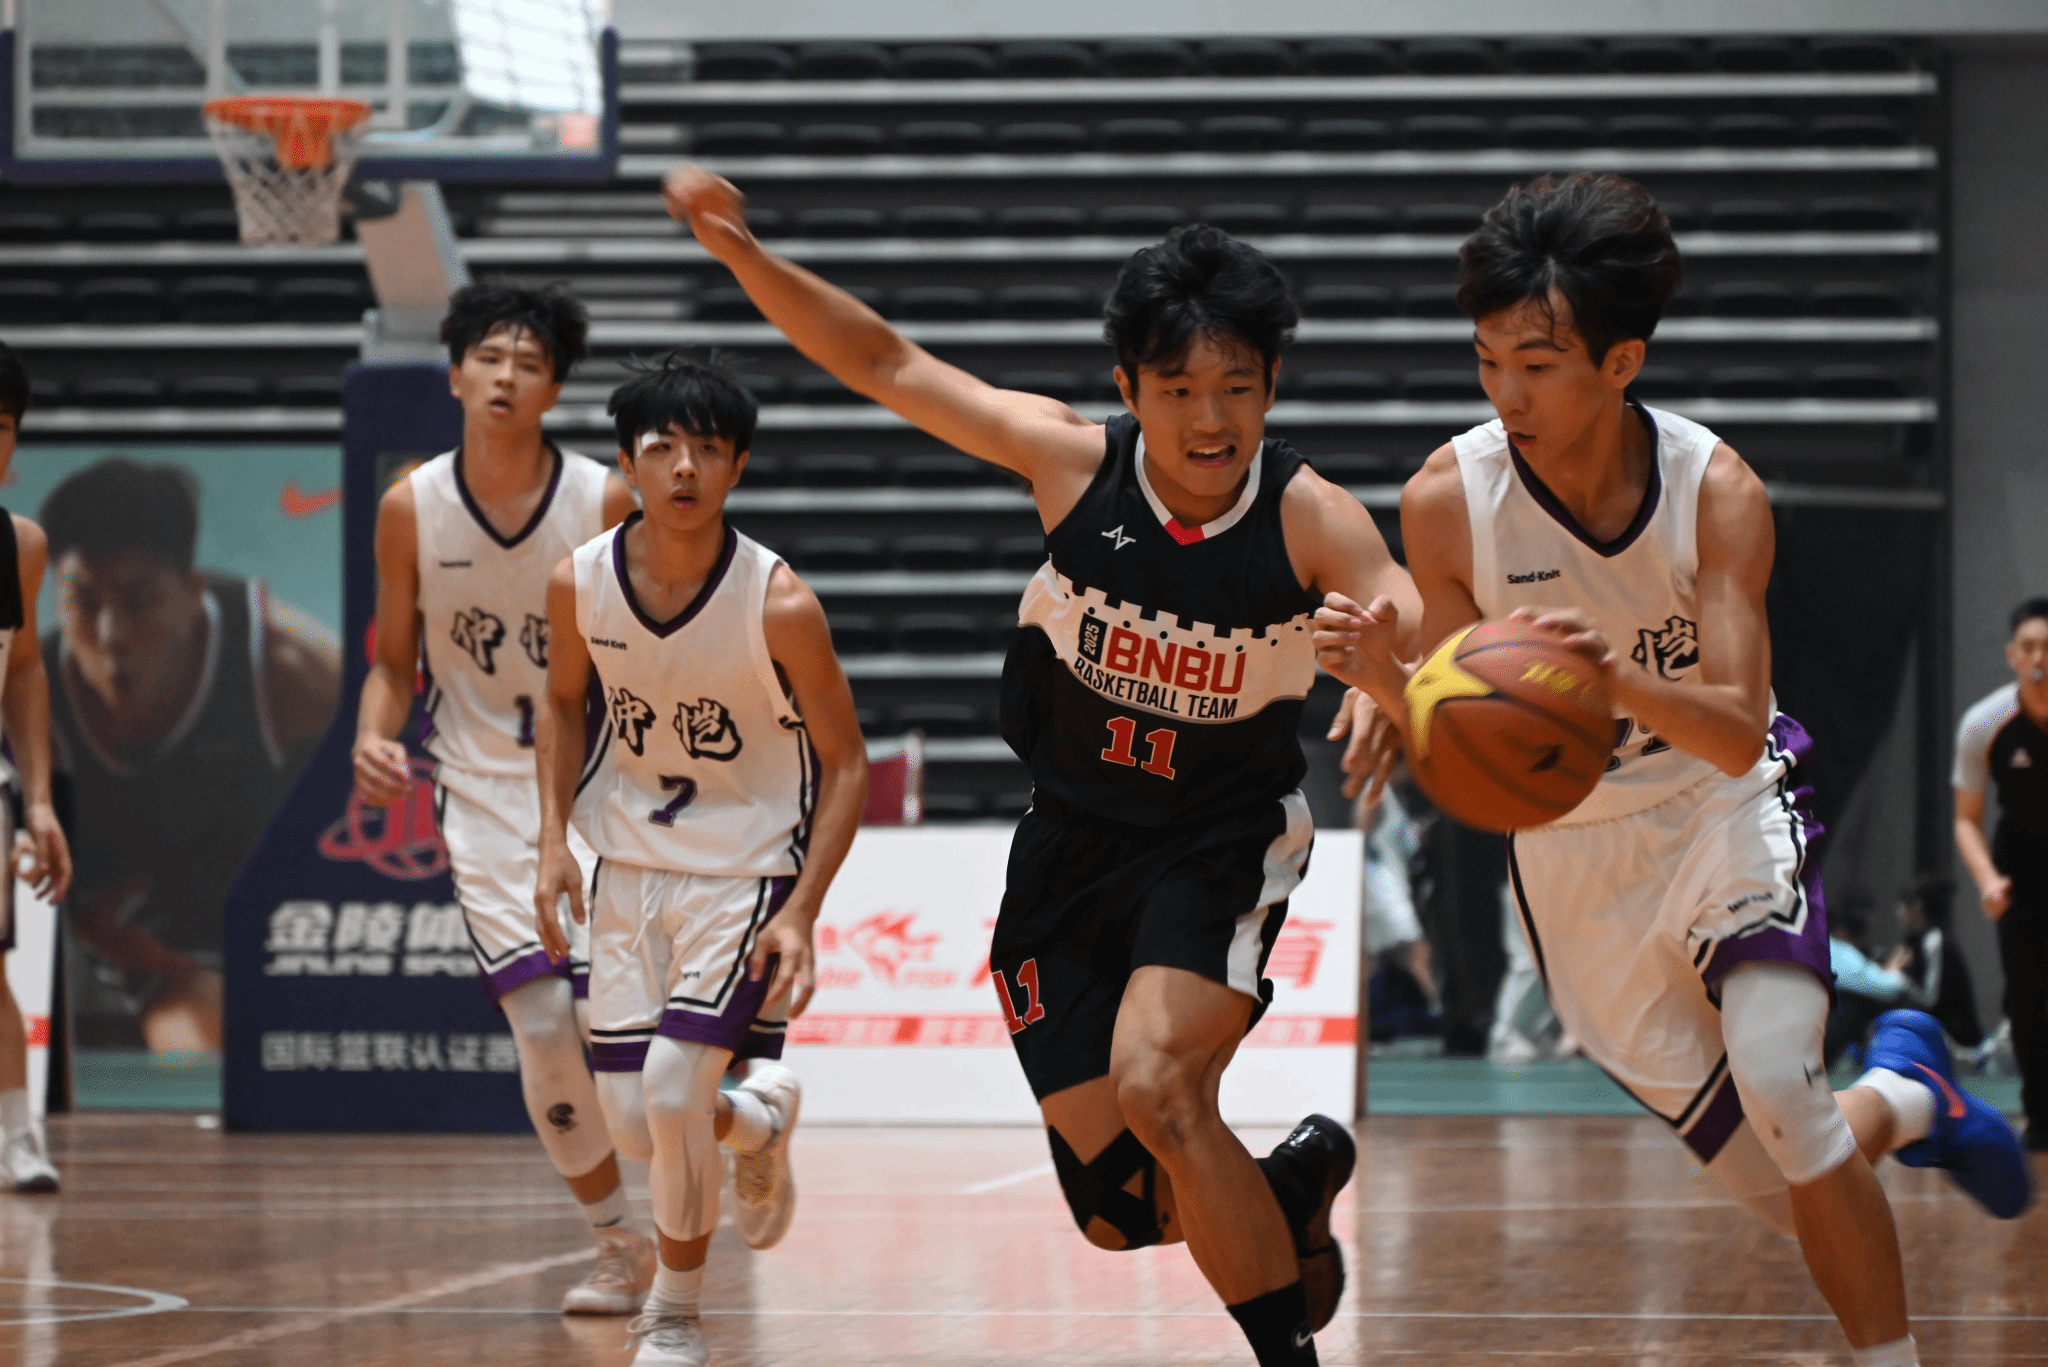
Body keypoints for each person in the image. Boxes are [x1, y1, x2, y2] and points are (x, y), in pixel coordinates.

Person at [664, 160, 1419, 1367]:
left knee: (1161, 1089)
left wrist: (1393, 678)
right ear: (1128, 388)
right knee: (1119, 1210)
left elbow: (1409, 625)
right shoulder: (1071, 464)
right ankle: (1284, 1192)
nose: (1210, 419)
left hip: (1216, 840)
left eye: (1236, 387)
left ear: (1272, 385)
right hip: (1066, 843)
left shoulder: (1307, 518)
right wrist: (744, 258)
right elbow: (886, 363)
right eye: (1178, 389)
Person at [1316, 171, 2030, 1367]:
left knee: (1783, 1094)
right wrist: (1387, 686)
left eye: (1534, 363)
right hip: (1570, 855)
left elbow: (1735, 729)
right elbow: (1471, 737)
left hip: (1717, 805)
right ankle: (1913, 1092)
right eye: (1486, 360)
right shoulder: (1446, 499)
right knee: (1782, 1181)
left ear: (1620, 361)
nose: (1504, 391)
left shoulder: (1715, 491)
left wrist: (1607, 682)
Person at [533, 353, 869, 1367]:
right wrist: (551, 838)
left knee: (673, 1094)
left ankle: (674, 1313)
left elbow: (847, 761)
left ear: (737, 466)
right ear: (627, 462)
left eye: (707, 450)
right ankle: (755, 1120)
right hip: (627, 864)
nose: (684, 467)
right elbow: (560, 703)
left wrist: (801, 908)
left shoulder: (779, 602)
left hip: (747, 868)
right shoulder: (579, 581)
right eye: (662, 448)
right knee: (637, 1124)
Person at [352, 283, 653, 1314]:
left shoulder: (603, 500)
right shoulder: (411, 506)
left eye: (528, 363)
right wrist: (371, 735)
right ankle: (617, 1242)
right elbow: (392, 661)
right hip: (479, 794)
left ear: (554, 388)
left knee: (627, 1043)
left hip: (599, 786)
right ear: (453, 374)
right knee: (540, 1021)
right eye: (488, 357)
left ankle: (739, 1121)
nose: (505, 376)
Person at [44, 457, 338, 1053]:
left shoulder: (291, 672)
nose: (111, 635)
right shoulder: (29, 699)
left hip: (264, 927)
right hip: (117, 942)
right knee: (185, 1026)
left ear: (192, 592)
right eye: (84, 602)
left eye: (139, 600)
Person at [0, 344, 75, 1192]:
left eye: (2, 426)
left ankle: (17, 1136)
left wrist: (40, 801)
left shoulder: (19, 545)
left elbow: (22, 669)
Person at [1954, 597, 2048, 1151]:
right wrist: (1988, 879)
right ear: (2012, 654)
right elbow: (1966, 820)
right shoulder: (1985, 723)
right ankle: (2041, 1120)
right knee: (2027, 1000)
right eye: (2029, 647)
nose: (2040, 658)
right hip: (2020, 880)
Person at [1895, 874, 1983, 1054]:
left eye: (1903, 905)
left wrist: (1898, 979)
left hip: (1953, 1037)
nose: (1899, 912)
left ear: (1918, 908)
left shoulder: (1935, 940)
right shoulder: (1913, 940)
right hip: (1931, 1027)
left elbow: (1932, 999)